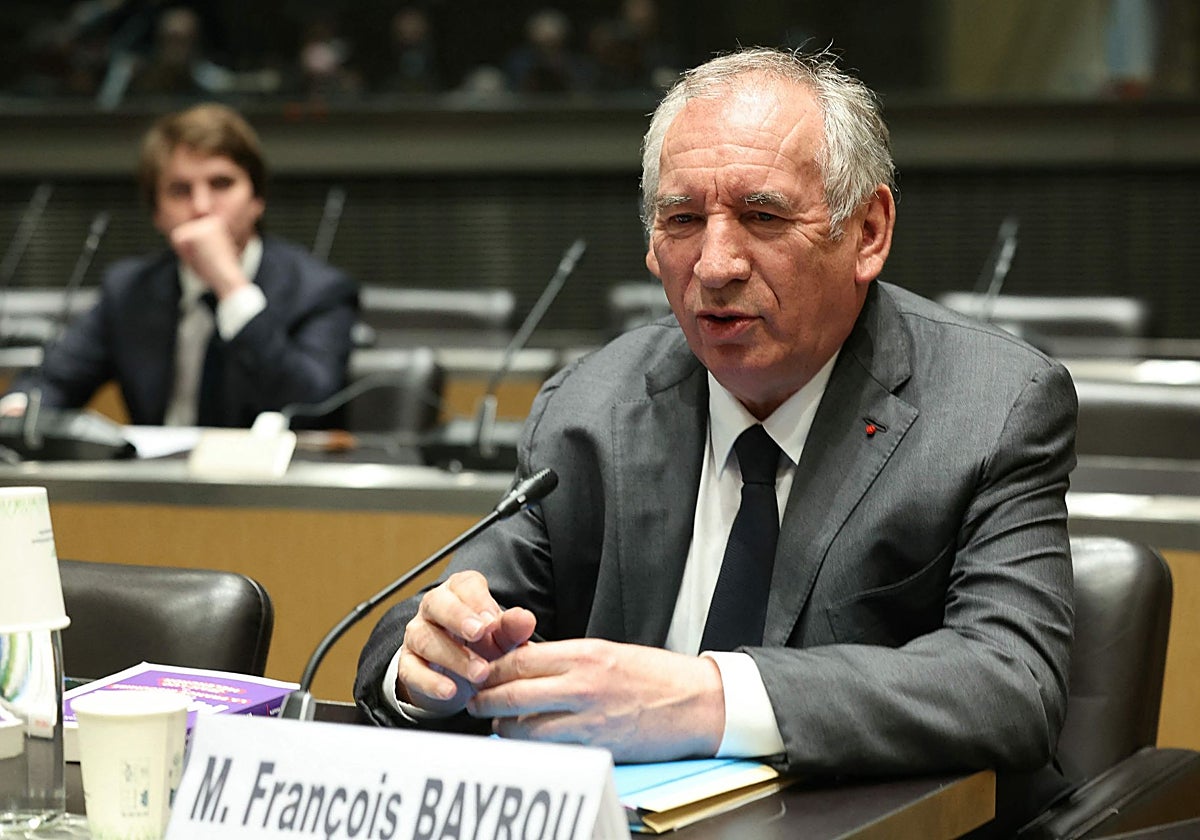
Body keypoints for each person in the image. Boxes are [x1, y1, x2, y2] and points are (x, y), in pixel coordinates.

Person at [355, 47, 1077, 835]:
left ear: (868, 232)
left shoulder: (991, 405)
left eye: (763, 217)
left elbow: (1012, 684)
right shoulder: (591, 406)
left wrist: (706, 699)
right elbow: (429, 630)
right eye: (682, 220)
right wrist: (427, 662)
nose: (716, 264)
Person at [1, 103, 358, 429]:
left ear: (257, 199)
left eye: (221, 184)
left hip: (268, 494)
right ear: (157, 213)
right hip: (154, 490)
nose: (202, 206)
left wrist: (232, 287)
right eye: (180, 190)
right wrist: (18, 410)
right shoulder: (129, 290)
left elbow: (314, 406)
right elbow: (54, 382)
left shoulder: (319, 290)